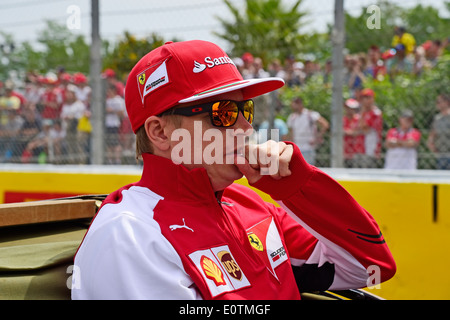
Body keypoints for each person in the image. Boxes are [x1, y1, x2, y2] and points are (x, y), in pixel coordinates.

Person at [72, 40, 396, 300]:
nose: (245, 126)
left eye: (246, 109)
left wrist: (296, 185)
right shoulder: (129, 233)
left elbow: (371, 269)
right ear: (160, 133)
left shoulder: (249, 204)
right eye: (223, 112)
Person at [286, 96, 329, 165]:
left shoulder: (310, 114)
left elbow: (325, 124)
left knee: (308, 167)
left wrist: (317, 137)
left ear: (300, 104)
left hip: (308, 147)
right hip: (297, 148)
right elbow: (291, 133)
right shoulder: (292, 117)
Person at [358, 88, 383, 168]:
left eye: (368, 98)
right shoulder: (364, 112)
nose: (365, 100)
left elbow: (364, 128)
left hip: (371, 147)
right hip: (361, 146)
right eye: (364, 98)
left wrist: (361, 113)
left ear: (373, 99)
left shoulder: (375, 113)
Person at [105, 84, 126, 164]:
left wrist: (112, 110)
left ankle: (117, 160)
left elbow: (122, 113)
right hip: (108, 124)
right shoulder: (107, 101)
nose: (108, 93)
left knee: (116, 143)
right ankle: (110, 160)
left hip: (115, 124)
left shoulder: (118, 100)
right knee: (109, 144)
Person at [427, 94, 450, 170]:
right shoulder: (437, 118)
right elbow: (433, 133)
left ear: (446, 102)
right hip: (442, 154)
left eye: (439, 102)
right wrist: (431, 143)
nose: (437, 104)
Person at [343, 98, 364, 168]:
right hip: (345, 150)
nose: (350, 110)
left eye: (352, 108)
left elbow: (361, 131)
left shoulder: (359, 119)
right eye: (348, 108)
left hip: (357, 150)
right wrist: (353, 132)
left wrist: (349, 132)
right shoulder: (342, 119)